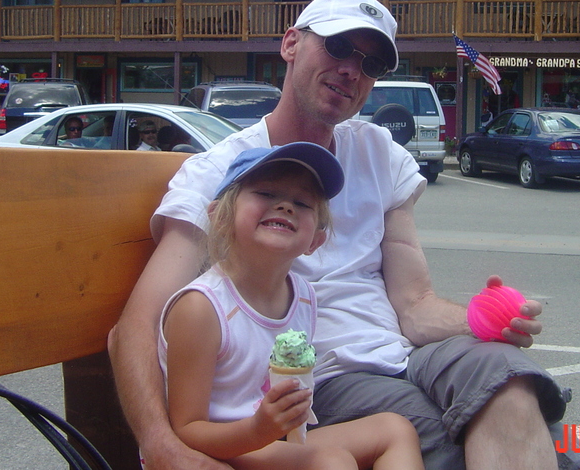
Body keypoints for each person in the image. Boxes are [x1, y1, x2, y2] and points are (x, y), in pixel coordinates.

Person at [108, 0, 580, 470]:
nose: (352, 70)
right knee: (442, 434)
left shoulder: (380, 153)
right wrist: (162, 447)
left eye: (371, 63)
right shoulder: (219, 172)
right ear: (291, 44)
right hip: (324, 377)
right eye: (338, 47)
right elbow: (137, 326)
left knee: (510, 380)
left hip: (406, 354)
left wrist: (482, 321)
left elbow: (413, 304)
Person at [160, 142, 424, 470]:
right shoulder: (202, 308)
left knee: (395, 429)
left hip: (271, 439)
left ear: (315, 241)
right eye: (266, 193)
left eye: (302, 202)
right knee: (330, 462)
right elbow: (186, 430)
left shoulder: (303, 296)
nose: (285, 206)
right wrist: (257, 430)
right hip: (217, 449)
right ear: (221, 216)